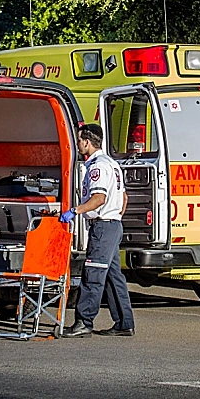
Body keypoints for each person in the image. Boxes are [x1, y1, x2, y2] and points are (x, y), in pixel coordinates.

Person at [59, 123, 135, 338]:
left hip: (103, 227)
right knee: (113, 277)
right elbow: (124, 198)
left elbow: (98, 198)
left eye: (79, 140)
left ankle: (84, 323)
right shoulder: (111, 163)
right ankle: (124, 323)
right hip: (112, 225)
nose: (77, 144)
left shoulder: (97, 166)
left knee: (92, 276)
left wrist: (74, 211)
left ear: (87, 142)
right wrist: (116, 217)